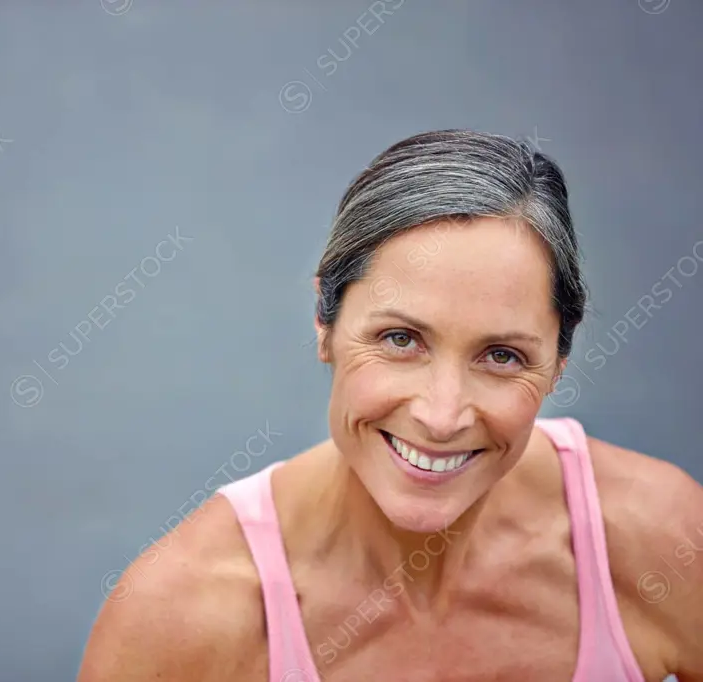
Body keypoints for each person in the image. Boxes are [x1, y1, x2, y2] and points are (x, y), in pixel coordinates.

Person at [77, 130, 702, 681]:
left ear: (558, 363)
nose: (442, 414)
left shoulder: (662, 539)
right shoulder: (180, 616)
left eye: (502, 355)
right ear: (324, 323)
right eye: (400, 340)